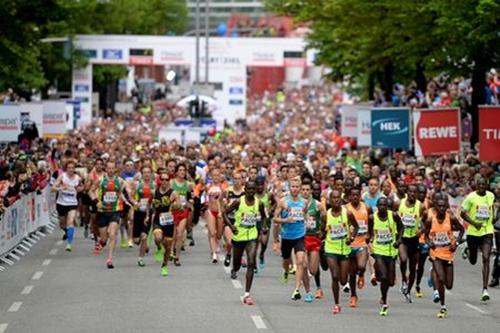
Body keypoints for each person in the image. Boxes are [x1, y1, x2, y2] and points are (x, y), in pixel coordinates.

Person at [225, 180, 266, 305]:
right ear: (245, 190)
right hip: (238, 236)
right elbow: (225, 213)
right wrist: (231, 227)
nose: (251, 191)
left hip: (252, 235)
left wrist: (263, 227)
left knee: (251, 261)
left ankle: (247, 293)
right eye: (249, 189)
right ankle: (234, 269)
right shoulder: (238, 201)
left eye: (253, 189)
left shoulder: (259, 203)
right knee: (237, 264)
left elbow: (264, 216)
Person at [273, 177, 312, 302]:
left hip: (299, 235)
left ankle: (296, 289)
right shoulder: (283, 202)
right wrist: (285, 220)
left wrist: (308, 221)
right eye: (293, 187)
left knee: (300, 260)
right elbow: (275, 219)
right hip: (286, 236)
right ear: (289, 188)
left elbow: (306, 214)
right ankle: (285, 271)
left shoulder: (304, 202)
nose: (295, 189)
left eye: (297, 187)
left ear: (300, 189)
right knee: (286, 261)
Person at [425, 196, 464, 318]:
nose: (442, 208)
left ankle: (433, 273)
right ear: (435, 208)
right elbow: (425, 234)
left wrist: (456, 243)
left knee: (449, 285)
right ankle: (443, 306)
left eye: (444, 206)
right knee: (441, 278)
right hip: (436, 252)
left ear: (446, 207)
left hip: (448, 253)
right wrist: (429, 242)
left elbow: (461, 230)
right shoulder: (430, 220)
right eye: (439, 206)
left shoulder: (451, 218)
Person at [91, 161, 135, 269]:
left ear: (115, 169)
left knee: (112, 234)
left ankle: (110, 259)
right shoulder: (101, 181)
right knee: (104, 239)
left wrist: (128, 199)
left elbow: (123, 191)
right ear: (106, 169)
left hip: (115, 211)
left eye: (112, 168)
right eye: (108, 168)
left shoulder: (119, 181)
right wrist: (97, 201)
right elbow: (91, 191)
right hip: (103, 212)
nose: (110, 170)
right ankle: (101, 243)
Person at [321, 189, 358, 314]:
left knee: (343, 280)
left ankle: (344, 285)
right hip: (331, 248)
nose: (336, 200)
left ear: (341, 200)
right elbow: (322, 230)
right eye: (333, 198)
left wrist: (352, 237)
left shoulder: (347, 213)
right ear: (330, 201)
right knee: (335, 276)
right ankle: (336, 304)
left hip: (344, 250)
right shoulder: (325, 215)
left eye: (338, 198)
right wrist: (320, 236)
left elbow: (356, 227)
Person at [460, 177, 496, 302]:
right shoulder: (471, 197)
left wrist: (494, 218)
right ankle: (468, 250)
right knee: (473, 261)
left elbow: (493, 207)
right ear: (476, 185)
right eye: (479, 184)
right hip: (473, 232)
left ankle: (484, 289)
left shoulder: (491, 196)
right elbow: (462, 213)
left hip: (487, 231)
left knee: (486, 258)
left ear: (487, 185)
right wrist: (474, 223)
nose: (481, 186)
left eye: (483, 184)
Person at [368, 197, 403, 316]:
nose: (382, 207)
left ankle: (378, 274)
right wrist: (371, 239)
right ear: (377, 206)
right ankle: (384, 301)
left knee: (391, 281)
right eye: (380, 205)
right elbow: (370, 232)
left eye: (385, 205)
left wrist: (398, 240)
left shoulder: (393, 215)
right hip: (378, 250)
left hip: (391, 251)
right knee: (383, 276)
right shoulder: (372, 217)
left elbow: (401, 227)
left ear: (387, 206)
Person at [397, 184, 425, 303]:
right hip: (402, 238)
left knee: (414, 268)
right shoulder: (399, 203)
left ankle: (408, 290)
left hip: (414, 239)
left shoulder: (421, 206)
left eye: (415, 192)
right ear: (406, 192)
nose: (413, 194)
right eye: (410, 191)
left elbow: (424, 223)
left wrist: (421, 230)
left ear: (417, 194)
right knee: (403, 260)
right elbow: (393, 217)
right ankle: (404, 278)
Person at [346, 185, 372, 307]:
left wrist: (370, 235)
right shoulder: (346, 209)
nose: (355, 197)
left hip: (362, 243)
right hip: (350, 244)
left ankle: (361, 275)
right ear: (349, 196)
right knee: (351, 273)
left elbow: (371, 221)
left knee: (361, 266)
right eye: (353, 195)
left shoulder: (366, 207)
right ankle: (353, 295)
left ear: (360, 195)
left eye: (357, 195)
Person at [52, 160, 83, 252]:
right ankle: (66, 231)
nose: (71, 170)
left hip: (72, 203)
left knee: (70, 221)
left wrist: (78, 189)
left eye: (73, 168)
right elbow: (53, 188)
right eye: (69, 168)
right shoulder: (62, 176)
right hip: (61, 203)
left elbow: (82, 187)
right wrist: (62, 188)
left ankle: (69, 244)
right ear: (66, 168)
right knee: (62, 223)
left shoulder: (78, 178)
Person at [151, 173, 178, 276]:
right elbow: (151, 204)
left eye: (167, 180)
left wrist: (175, 204)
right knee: (158, 238)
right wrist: (148, 216)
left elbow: (179, 205)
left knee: (167, 247)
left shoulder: (173, 193)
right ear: (159, 180)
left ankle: (164, 265)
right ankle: (158, 248)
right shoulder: (154, 192)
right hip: (158, 219)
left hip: (168, 221)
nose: (164, 182)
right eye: (162, 179)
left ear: (169, 181)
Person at [303, 181, 324, 299]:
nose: (305, 192)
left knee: (313, 269)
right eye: (303, 190)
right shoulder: (298, 204)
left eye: (307, 190)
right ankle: (309, 291)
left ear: (311, 191)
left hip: (314, 238)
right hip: (302, 238)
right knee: (303, 264)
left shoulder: (317, 205)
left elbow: (325, 219)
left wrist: (322, 230)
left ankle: (318, 286)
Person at [131, 166, 155, 267]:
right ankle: (140, 242)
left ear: (151, 174)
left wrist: (154, 202)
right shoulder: (137, 185)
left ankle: (140, 258)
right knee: (136, 240)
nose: (146, 174)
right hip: (138, 213)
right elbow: (131, 197)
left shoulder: (154, 186)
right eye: (144, 172)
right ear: (141, 174)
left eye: (148, 172)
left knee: (144, 236)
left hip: (148, 214)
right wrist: (135, 202)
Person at [170, 163, 193, 266]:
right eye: (180, 170)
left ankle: (177, 257)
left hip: (183, 212)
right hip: (172, 211)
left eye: (184, 170)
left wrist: (190, 203)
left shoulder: (188, 184)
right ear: (176, 172)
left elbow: (190, 197)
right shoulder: (171, 183)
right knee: (173, 235)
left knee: (180, 234)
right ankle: (171, 251)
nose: (182, 172)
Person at [224, 171, 245, 266]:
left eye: (239, 178)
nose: (237, 181)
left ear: (242, 180)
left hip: (241, 220)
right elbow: (220, 199)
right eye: (235, 178)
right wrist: (223, 209)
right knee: (229, 242)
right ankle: (229, 254)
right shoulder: (228, 190)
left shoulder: (246, 191)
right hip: (230, 219)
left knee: (240, 242)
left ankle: (240, 257)